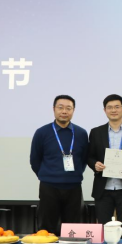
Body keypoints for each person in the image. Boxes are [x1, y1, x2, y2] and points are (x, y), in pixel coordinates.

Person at [30, 95, 89, 235]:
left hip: (74, 187)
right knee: (46, 229)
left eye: (68, 108)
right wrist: (47, 175)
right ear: (54, 109)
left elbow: (84, 159)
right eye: (60, 107)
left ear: (73, 110)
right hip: (49, 187)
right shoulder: (42, 132)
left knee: (73, 230)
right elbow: (35, 160)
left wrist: (74, 175)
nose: (64, 111)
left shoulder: (81, 133)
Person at [86, 94, 122, 238]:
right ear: (104, 110)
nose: (113, 110)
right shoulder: (96, 132)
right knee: (104, 231)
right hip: (103, 188)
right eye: (110, 107)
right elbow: (89, 156)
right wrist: (95, 164)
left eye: (117, 107)